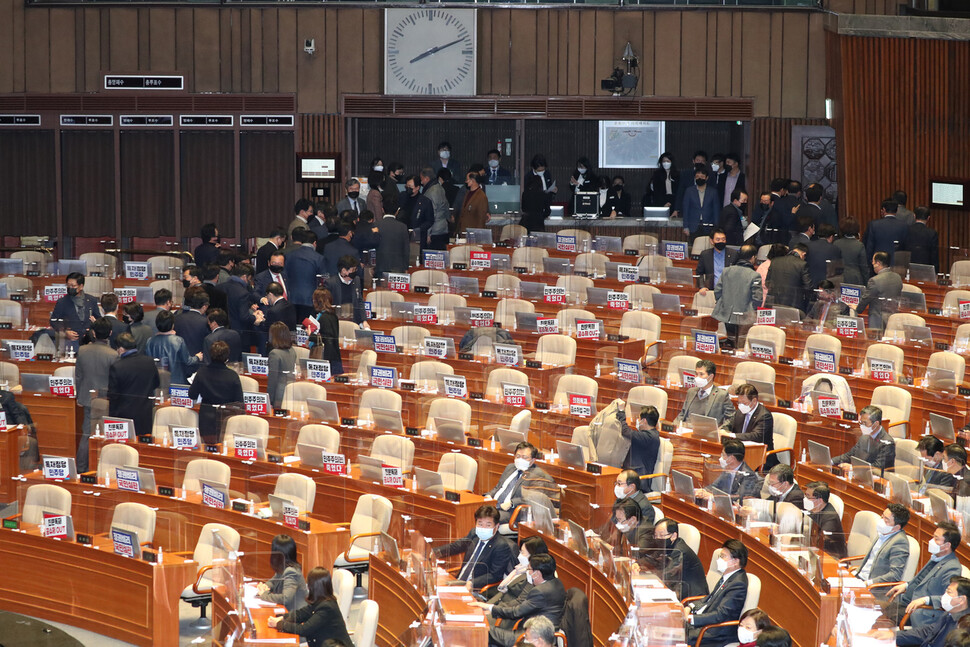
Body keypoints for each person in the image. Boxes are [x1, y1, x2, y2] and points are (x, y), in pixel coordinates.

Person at [474, 553, 566, 647]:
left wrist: (490, 608)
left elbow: (516, 612)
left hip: (533, 637)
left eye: (529, 569)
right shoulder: (557, 583)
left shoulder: (540, 591)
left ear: (537, 573)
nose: (528, 572)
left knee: (484, 630)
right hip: (541, 632)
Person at [883, 521, 963, 624]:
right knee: (872, 606)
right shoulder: (936, 557)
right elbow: (922, 579)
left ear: (947, 545)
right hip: (906, 604)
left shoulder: (952, 568)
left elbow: (949, 599)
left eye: (936, 539)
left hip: (918, 613)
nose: (931, 541)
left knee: (877, 615)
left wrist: (926, 600)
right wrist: (907, 585)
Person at [869, 577, 970, 647]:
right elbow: (926, 632)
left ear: (961, 600)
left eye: (948, 592)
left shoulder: (963, 626)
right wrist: (894, 635)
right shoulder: (950, 612)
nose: (944, 596)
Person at [434, 505, 515, 592]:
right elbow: (456, 546)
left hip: (477, 589)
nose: (483, 528)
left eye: (488, 525)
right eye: (480, 524)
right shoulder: (474, 534)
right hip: (458, 581)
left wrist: (472, 583)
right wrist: (432, 553)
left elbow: (495, 575)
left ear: (497, 526)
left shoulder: (501, 546)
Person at [685, 539, 749, 647]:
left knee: (674, 635)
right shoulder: (728, 576)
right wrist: (690, 607)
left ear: (735, 561)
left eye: (723, 556)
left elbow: (721, 615)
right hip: (705, 622)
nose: (719, 560)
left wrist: (691, 619)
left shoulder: (738, 584)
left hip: (715, 632)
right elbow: (710, 598)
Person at [268, 566, 352, 647]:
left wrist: (280, 624)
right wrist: (282, 618)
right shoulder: (321, 601)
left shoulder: (327, 607)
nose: (308, 587)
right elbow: (300, 614)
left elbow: (304, 629)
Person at [75, 318, 117, 472]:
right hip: (106, 400)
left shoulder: (82, 350)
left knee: (87, 434)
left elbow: (78, 376)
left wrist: (79, 396)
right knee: (107, 436)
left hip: (87, 398)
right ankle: (101, 469)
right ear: (110, 333)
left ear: (93, 332)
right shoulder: (113, 354)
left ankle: (81, 469)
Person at [486, 442, 560, 522]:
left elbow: (533, 498)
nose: (520, 459)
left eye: (525, 457)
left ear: (533, 460)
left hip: (513, 511)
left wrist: (512, 502)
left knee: (486, 519)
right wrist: (488, 495)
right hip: (493, 506)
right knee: (474, 511)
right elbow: (498, 487)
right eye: (518, 456)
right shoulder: (510, 467)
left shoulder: (537, 475)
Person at [188, 341, 243, 443]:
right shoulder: (233, 375)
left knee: (208, 448)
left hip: (206, 417)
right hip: (226, 417)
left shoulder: (202, 372)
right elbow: (239, 401)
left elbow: (192, 394)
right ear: (227, 357)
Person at [107, 333, 160, 438]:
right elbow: (156, 383)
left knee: (125, 448)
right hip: (145, 414)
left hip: (124, 416)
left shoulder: (117, 367)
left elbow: (113, 395)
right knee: (143, 447)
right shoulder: (149, 362)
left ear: (121, 349)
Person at [851, 503, 911, 589]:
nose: (882, 521)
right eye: (882, 516)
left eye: (886, 520)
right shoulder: (883, 533)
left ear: (896, 527)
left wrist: (869, 583)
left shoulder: (900, 542)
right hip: (860, 578)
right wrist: (854, 574)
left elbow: (895, 575)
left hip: (874, 587)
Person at [712, 244, 762, 339]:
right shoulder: (755, 275)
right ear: (753, 258)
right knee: (740, 345)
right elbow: (757, 299)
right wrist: (751, 311)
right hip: (745, 317)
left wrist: (724, 304)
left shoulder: (726, 271)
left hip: (725, 314)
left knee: (728, 342)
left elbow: (717, 291)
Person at [651, 518, 708, 599]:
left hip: (691, 597)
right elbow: (652, 559)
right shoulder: (667, 545)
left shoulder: (680, 551)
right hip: (675, 589)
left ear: (673, 536)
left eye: (661, 535)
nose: (658, 538)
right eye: (656, 535)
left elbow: (667, 576)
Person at [672, 360, 735, 430]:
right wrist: (674, 426)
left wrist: (721, 431)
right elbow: (682, 413)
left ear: (710, 377)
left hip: (707, 433)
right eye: (696, 374)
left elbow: (731, 418)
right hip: (685, 430)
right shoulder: (691, 391)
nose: (697, 377)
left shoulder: (721, 395)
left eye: (701, 374)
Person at [696, 439, 763, 503]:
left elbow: (738, 498)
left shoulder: (748, 475)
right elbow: (715, 486)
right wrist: (703, 491)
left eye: (723, 455)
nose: (721, 457)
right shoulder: (728, 469)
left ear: (731, 458)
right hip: (724, 505)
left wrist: (713, 498)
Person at [487, 536, 549, 606]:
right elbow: (502, 593)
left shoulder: (534, 576)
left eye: (523, 553)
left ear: (534, 555)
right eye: (520, 552)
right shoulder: (519, 569)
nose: (519, 556)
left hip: (507, 609)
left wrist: (492, 609)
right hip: (500, 602)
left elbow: (520, 603)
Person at [833, 405, 896, 473]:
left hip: (880, 480)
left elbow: (877, 467)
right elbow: (850, 455)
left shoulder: (887, 443)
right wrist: (831, 461)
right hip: (863, 476)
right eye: (861, 423)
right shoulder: (864, 437)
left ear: (876, 424)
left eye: (865, 423)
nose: (862, 426)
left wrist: (853, 468)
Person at [146, 310, 200, 386]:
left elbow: (149, 363)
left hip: (158, 381)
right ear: (172, 325)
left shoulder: (150, 341)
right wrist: (197, 357)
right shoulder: (178, 340)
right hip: (177, 382)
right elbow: (188, 361)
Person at [727, 383, 775, 467]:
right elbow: (730, 424)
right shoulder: (740, 411)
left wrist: (733, 435)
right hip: (741, 453)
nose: (740, 406)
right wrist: (723, 430)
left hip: (760, 457)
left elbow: (755, 436)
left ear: (754, 401)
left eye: (744, 403)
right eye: (739, 402)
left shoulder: (764, 415)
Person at [257, 534, 309, 612]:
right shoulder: (284, 566)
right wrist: (264, 586)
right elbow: (273, 581)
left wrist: (264, 595)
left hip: (296, 616)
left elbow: (285, 598)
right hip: (286, 611)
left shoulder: (291, 571)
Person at [49, 272, 99, 351]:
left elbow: (98, 318)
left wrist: (94, 327)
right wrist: (65, 332)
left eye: (73, 286)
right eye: (68, 285)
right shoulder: (62, 302)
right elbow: (54, 321)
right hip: (71, 342)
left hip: (89, 342)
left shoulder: (91, 300)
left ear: (81, 286)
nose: (70, 288)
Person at [614, 404, 661, 489]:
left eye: (639, 418)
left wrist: (621, 412)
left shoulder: (649, 437)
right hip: (631, 476)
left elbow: (625, 431)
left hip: (638, 482)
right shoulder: (648, 435)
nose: (637, 421)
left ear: (644, 421)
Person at [855, 251, 903, 332]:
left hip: (877, 318)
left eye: (873, 262)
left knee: (875, 340)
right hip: (893, 316)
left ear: (878, 263)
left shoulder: (874, 280)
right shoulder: (897, 277)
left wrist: (857, 309)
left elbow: (866, 298)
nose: (872, 265)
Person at [285, 229, 327, 321]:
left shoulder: (289, 255)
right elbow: (324, 279)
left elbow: (285, 275)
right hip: (311, 300)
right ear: (315, 243)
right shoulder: (319, 258)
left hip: (292, 298)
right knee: (308, 328)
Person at [803, 481, 847, 558]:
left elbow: (821, 543)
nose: (805, 499)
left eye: (808, 496)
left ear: (820, 500)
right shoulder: (815, 509)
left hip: (831, 558)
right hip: (816, 554)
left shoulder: (830, 518)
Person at [765, 243, 812, 313]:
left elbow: (767, 282)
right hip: (794, 305)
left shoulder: (775, 261)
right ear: (803, 254)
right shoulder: (802, 264)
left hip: (773, 303)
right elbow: (808, 287)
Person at [306, 288, 343, 374]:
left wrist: (311, 335)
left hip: (327, 357)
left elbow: (327, 338)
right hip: (332, 355)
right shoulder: (331, 315)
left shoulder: (325, 317)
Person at [864, 199, 909, 265]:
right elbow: (906, 247)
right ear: (896, 210)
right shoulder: (904, 226)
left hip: (878, 264)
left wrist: (869, 263)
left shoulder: (873, 225)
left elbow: (869, 247)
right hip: (897, 264)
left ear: (884, 210)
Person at [682, 165, 720, 243]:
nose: (700, 178)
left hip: (709, 226)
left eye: (702, 176)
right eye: (697, 176)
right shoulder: (689, 191)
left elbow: (716, 211)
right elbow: (686, 209)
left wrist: (716, 228)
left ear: (707, 178)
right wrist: (685, 226)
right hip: (693, 225)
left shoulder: (713, 192)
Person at [324, 256, 367, 325]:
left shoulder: (356, 280)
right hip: (337, 322)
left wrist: (364, 320)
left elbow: (359, 301)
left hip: (354, 321)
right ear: (344, 271)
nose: (355, 272)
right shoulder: (330, 283)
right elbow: (326, 305)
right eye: (353, 270)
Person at [521, 154, 556, 233]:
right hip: (538, 222)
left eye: (543, 170)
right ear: (534, 168)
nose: (541, 172)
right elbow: (547, 212)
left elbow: (523, 208)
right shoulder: (528, 177)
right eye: (539, 171)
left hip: (527, 221)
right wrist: (540, 216)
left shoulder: (547, 174)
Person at [266, 321, 296, 409]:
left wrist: (269, 399)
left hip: (278, 395)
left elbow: (272, 380)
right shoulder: (292, 350)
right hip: (290, 390)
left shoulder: (274, 354)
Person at [421, 166, 452, 249]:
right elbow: (446, 207)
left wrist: (428, 234)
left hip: (434, 231)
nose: (421, 182)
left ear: (427, 178)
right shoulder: (440, 188)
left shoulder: (431, 191)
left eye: (422, 179)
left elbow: (431, 214)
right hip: (443, 228)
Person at [174, 286, 210, 356]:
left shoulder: (176, 318)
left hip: (180, 359)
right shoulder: (206, 322)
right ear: (204, 306)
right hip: (199, 360)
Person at [834, 218, 870, 286]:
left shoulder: (836, 243)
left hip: (839, 278)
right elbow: (864, 267)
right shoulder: (859, 245)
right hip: (855, 278)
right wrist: (866, 283)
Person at [806, 223, 843, 287]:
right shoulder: (835, 249)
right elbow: (838, 270)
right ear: (831, 237)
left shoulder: (808, 246)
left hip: (810, 283)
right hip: (826, 286)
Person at [904, 207, 939, 272]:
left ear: (914, 216)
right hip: (926, 269)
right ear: (928, 218)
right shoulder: (932, 233)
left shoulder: (906, 230)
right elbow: (934, 255)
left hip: (908, 267)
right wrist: (936, 272)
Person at [404, 175, 434, 250]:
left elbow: (430, 221)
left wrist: (418, 229)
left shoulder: (425, 201)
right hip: (403, 234)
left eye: (410, 187)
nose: (408, 188)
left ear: (417, 187)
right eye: (406, 186)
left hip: (418, 236)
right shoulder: (402, 197)